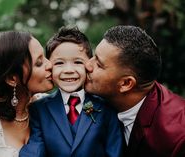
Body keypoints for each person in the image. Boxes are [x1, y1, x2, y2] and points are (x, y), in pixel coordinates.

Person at [19, 26, 123, 157]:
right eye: (59, 63)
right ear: (49, 67)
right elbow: (35, 148)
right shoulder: (39, 110)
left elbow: (115, 151)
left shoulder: (107, 107)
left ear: (89, 65)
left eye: (78, 62)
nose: (68, 70)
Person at [85, 25, 185, 157]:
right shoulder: (102, 97)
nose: (87, 65)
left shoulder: (177, 139)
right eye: (93, 55)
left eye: (99, 64)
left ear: (126, 83)